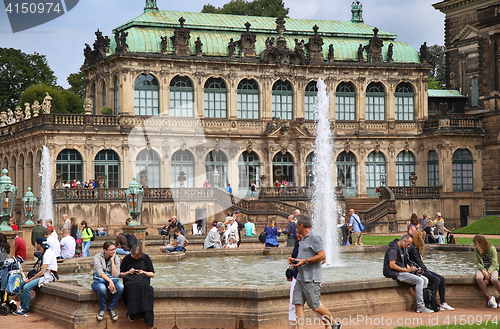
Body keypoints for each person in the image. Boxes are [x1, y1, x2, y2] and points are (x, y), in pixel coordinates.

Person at [288, 215, 340, 329]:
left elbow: (322, 256)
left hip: (311, 278)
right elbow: (304, 256)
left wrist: (305, 261)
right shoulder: (304, 238)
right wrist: (295, 261)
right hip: (300, 277)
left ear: (301, 226)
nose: (295, 228)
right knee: (297, 304)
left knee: (315, 306)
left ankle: (334, 323)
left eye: (297, 226)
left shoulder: (315, 237)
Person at [382, 234, 433, 313]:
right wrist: (406, 270)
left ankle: (423, 303)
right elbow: (392, 265)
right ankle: (420, 307)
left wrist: (413, 269)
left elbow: (405, 263)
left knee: (425, 279)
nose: (409, 246)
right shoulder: (393, 249)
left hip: (402, 270)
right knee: (420, 281)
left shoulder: (403, 248)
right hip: (394, 273)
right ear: (403, 241)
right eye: (408, 244)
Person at [408, 230, 454, 311]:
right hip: (419, 271)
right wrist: (428, 272)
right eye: (423, 239)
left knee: (442, 279)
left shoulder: (415, 247)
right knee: (436, 279)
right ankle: (432, 302)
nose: (424, 242)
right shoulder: (413, 248)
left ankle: (443, 303)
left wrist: (428, 271)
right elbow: (419, 263)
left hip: (422, 269)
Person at [15, 236, 58, 316]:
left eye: (35, 244)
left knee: (26, 287)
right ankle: (22, 306)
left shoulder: (47, 254)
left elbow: (42, 272)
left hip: (49, 275)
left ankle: (25, 309)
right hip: (44, 274)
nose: (35, 245)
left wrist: (31, 280)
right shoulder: (44, 253)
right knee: (21, 284)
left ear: (39, 245)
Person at [119, 245, 155, 325]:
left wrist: (143, 272)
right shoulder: (126, 259)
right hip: (130, 279)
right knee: (130, 286)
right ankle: (132, 312)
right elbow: (120, 275)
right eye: (135, 257)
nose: (136, 259)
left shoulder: (146, 258)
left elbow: (152, 274)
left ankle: (143, 312)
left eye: (138, 257)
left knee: (142, 285)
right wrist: (128, 272)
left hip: (142, 279)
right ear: (131, 254)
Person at [91, 241, 123, 321]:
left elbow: (116, 275)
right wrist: (110, 281)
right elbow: (100, 272)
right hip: (99, 281)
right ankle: (102, 308)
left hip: (113, 280)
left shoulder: (116, 258)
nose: (114, 251)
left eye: (114, 249)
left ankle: (112, 308)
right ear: (105, 250)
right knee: (102, 288)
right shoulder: (97, 257)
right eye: (111, 250)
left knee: (121, 286)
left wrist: (112, 261)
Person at [473, 234, 500, 308]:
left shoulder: (492, 249)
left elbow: (494, 263)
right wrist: (483, 271)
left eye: (475, 244)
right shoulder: (476, 250)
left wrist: (487, 275)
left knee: (494, 279)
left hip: (492, 268)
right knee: (478, 278)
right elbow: (478, 262)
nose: (475, 246)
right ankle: (490, 298)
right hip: (483, 268)